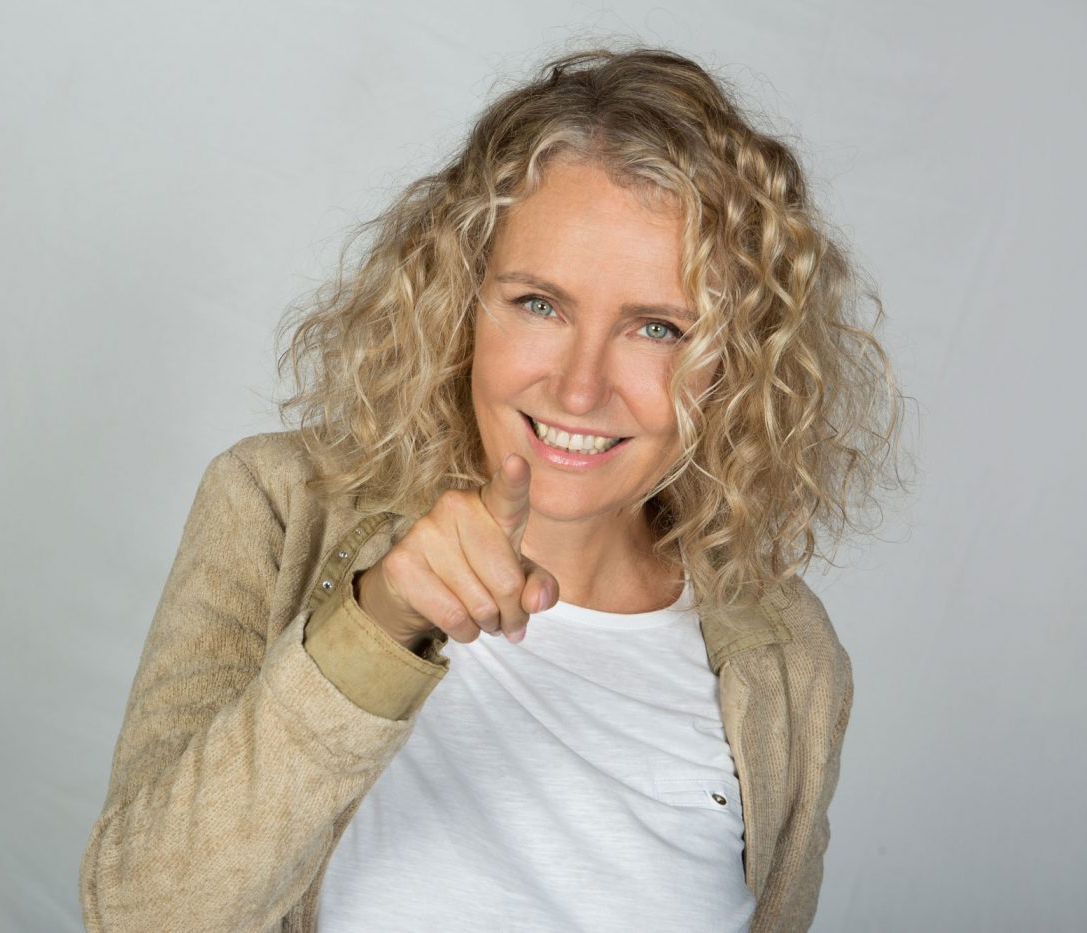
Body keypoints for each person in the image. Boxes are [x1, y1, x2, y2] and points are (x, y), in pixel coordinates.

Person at [79, 47, 905, 933]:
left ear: (735, 362)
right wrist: (378, 625)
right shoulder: (280, 506)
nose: (580, 389)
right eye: (539, 303)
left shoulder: (788, 657)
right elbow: (138, 916)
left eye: (658, 328)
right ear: (460, 300)